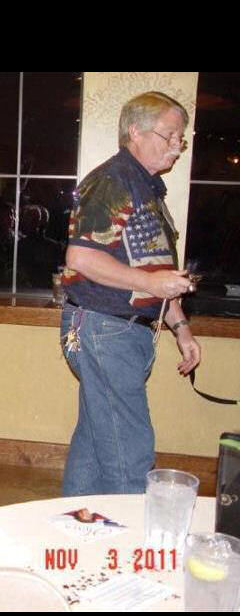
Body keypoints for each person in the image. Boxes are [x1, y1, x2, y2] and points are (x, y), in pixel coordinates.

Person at [60, 91, 201, 495]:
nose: (177, 146)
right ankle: (131, 532)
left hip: (119, 330)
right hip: (104, 328)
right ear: (135, 131)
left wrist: (181, 328)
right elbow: (81, 257)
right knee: (130, 454)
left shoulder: (146, 188)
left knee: (95, 444)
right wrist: (151, 284)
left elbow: (154, 271)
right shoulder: (113, 181)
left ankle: (75, 522)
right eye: (169, 135)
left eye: (180, 138)